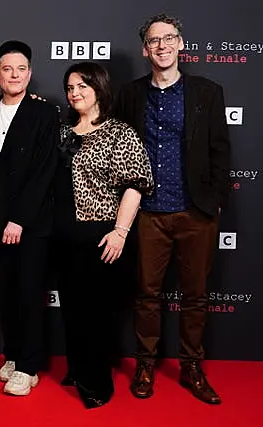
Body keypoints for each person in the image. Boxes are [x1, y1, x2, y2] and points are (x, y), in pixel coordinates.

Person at [116, 13, 230, 405]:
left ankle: (191, 367)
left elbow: (220, 149)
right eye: (153, 41)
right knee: (147, 295)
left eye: (169, 39)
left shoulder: (207, 92)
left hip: (195, 212)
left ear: (181, 44)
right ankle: (146, 365)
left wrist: (214, 202)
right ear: (144, 49)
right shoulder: (130, 94)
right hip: (147, 213)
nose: (162, 46)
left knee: (196, 296)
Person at [55, 62, 153, 408]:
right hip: (63, 236)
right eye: (69, 88)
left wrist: (120, 233)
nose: (74, 93)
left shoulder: (119, 132)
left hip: (101, 236)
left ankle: (96, 383)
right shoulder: (63, 131)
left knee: (97, 313)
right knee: (72, 309)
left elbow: (135, 187)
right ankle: (78, 367)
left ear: (99, 88)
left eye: (82, 86)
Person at [0, 40, 59, 396]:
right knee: (6, 293)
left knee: (29, 293)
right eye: (7, 69)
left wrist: (19, 220)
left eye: (21, 69)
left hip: (30, 223)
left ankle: (29, 365)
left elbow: (44, 172)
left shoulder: (45, 113)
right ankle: (12, 354)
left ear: (30, 73)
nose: (14, 75)